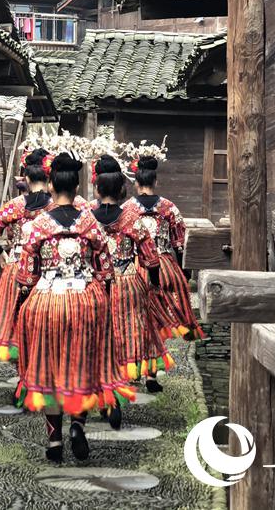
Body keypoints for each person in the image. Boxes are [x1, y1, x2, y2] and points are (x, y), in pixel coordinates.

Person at [13, 153, 135, 462]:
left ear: (52, 184)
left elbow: (26, 275)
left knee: (48, 369)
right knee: (82, 364)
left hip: (47, 301)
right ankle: (78, 426)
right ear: (78, 185)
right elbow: (106, 270)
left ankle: (54, 441)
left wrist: (20, 304)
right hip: (84, 301)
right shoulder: (89, 223)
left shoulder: (38, 225)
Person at [91, 156, 174, 412]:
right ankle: (121, 385)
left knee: (98, 338)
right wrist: (155, 284)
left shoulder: (87, 221)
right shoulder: (131, 220)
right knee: (126, 336)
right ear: (121, 190)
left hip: (95, 286)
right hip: (128, 283)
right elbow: (151, 258)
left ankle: (103, 392)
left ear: (96, 189)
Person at [0, 148, 54, 362]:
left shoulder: (16, 206)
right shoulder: (54, 207)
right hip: (46, 270)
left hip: (17, 265)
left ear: (26, 178)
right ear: (48, 176)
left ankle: (22, 366)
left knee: (16, 317)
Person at [121, 156, 205, 341]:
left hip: (136, 265)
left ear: (136, 183)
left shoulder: (126, 209)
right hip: (165, 263)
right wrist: (184, 272)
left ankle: (143, 341)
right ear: (155, 181)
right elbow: (180, 244)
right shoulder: (169, 207)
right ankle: (171, 332)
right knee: (170, 297)